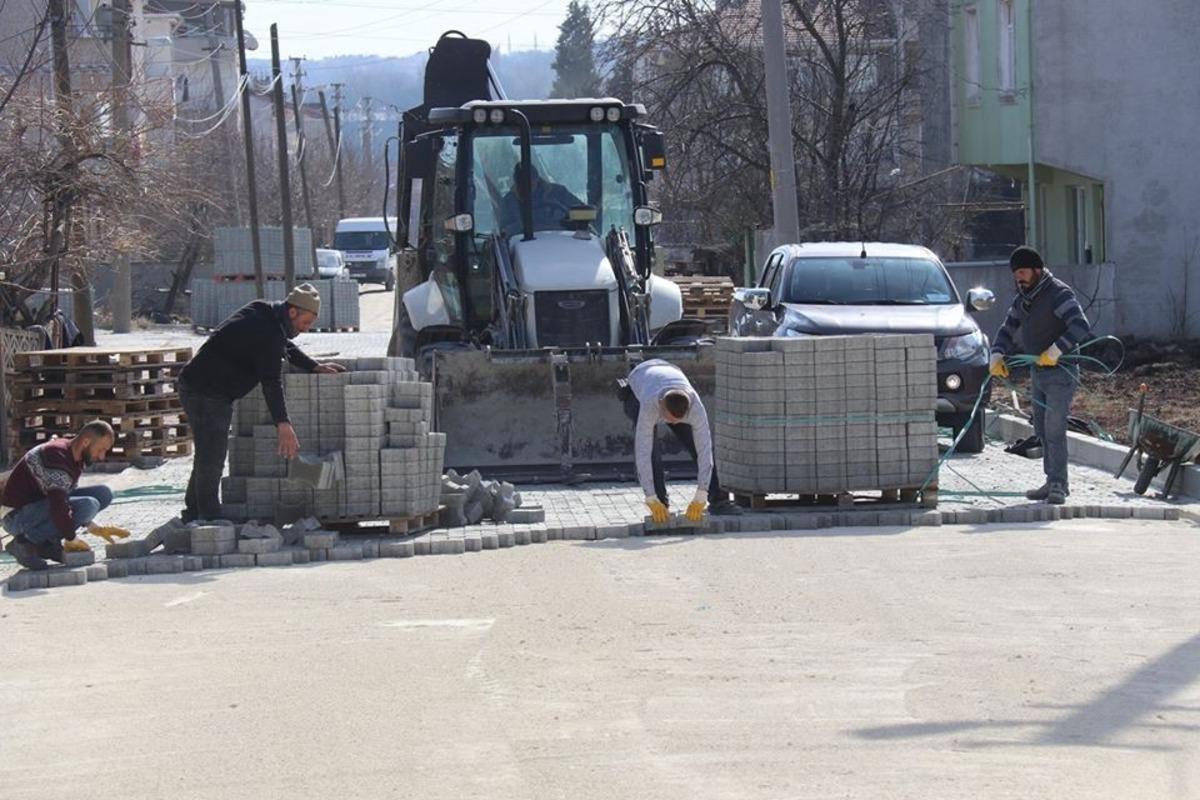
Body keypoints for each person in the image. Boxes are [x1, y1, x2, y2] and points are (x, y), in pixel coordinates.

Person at [178, 283, 346, 523]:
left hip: (203, 387)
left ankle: (194, 512)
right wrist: (283, 424)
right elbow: (271, 382)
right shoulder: (268, 331)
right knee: (212, 455)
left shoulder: (264, 312)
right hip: (205, 391)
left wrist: (313, 366)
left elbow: (284, 346)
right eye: (305, 322)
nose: (306, 329)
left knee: (207, 452)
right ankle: (209, 518)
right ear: (292, 312)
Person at [988, 246, 1091, 505]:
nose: (1018, 278)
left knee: (1055, 428)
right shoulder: (1024, 298)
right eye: (1015, 274)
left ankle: (1059, 485)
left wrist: (1056, 350)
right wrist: (997, 354)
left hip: (1061, 370)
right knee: (1042, 429)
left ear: (1036, 269)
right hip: (1039, 371)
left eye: (1022, 272)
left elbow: (1080, 326)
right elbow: (1007, 327)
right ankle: (1051, 480)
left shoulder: (1058, 294)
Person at [620, 359, 741, 523]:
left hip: (668, 372)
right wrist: (650, 496)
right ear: (661, 407)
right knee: (653, 452)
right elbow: (643, 452)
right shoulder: (649, 406)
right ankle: (660, 504)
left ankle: (719, 501)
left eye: (679, 420)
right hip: (637, 387)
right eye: (670, 419)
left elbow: (704, 450)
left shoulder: (695, 407)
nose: (674, 424)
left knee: (694, 443)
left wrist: (701, 493)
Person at [2, 421, 116, 569]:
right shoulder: (57, 457)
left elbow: (63, 496)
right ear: (86, 442)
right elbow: (59, 507)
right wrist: (72, 538)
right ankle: (25, 542)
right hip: (16, 517)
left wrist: (92, 525)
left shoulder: (74, 454)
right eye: (100, 449)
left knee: (104, 494)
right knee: (89, 505)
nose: (101, 456)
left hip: (39, 504)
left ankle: (47, 542)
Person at [500, 161, 584, 234]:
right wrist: (521, 225)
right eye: (522, 183)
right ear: (516, 182)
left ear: (536, 178)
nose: (527, 186)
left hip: (563, 237)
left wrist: (569, 220)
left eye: (530, 181)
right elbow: (505, 232)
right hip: (524, 242)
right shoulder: (509, 201)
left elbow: (582, 213)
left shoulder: (559, 192)